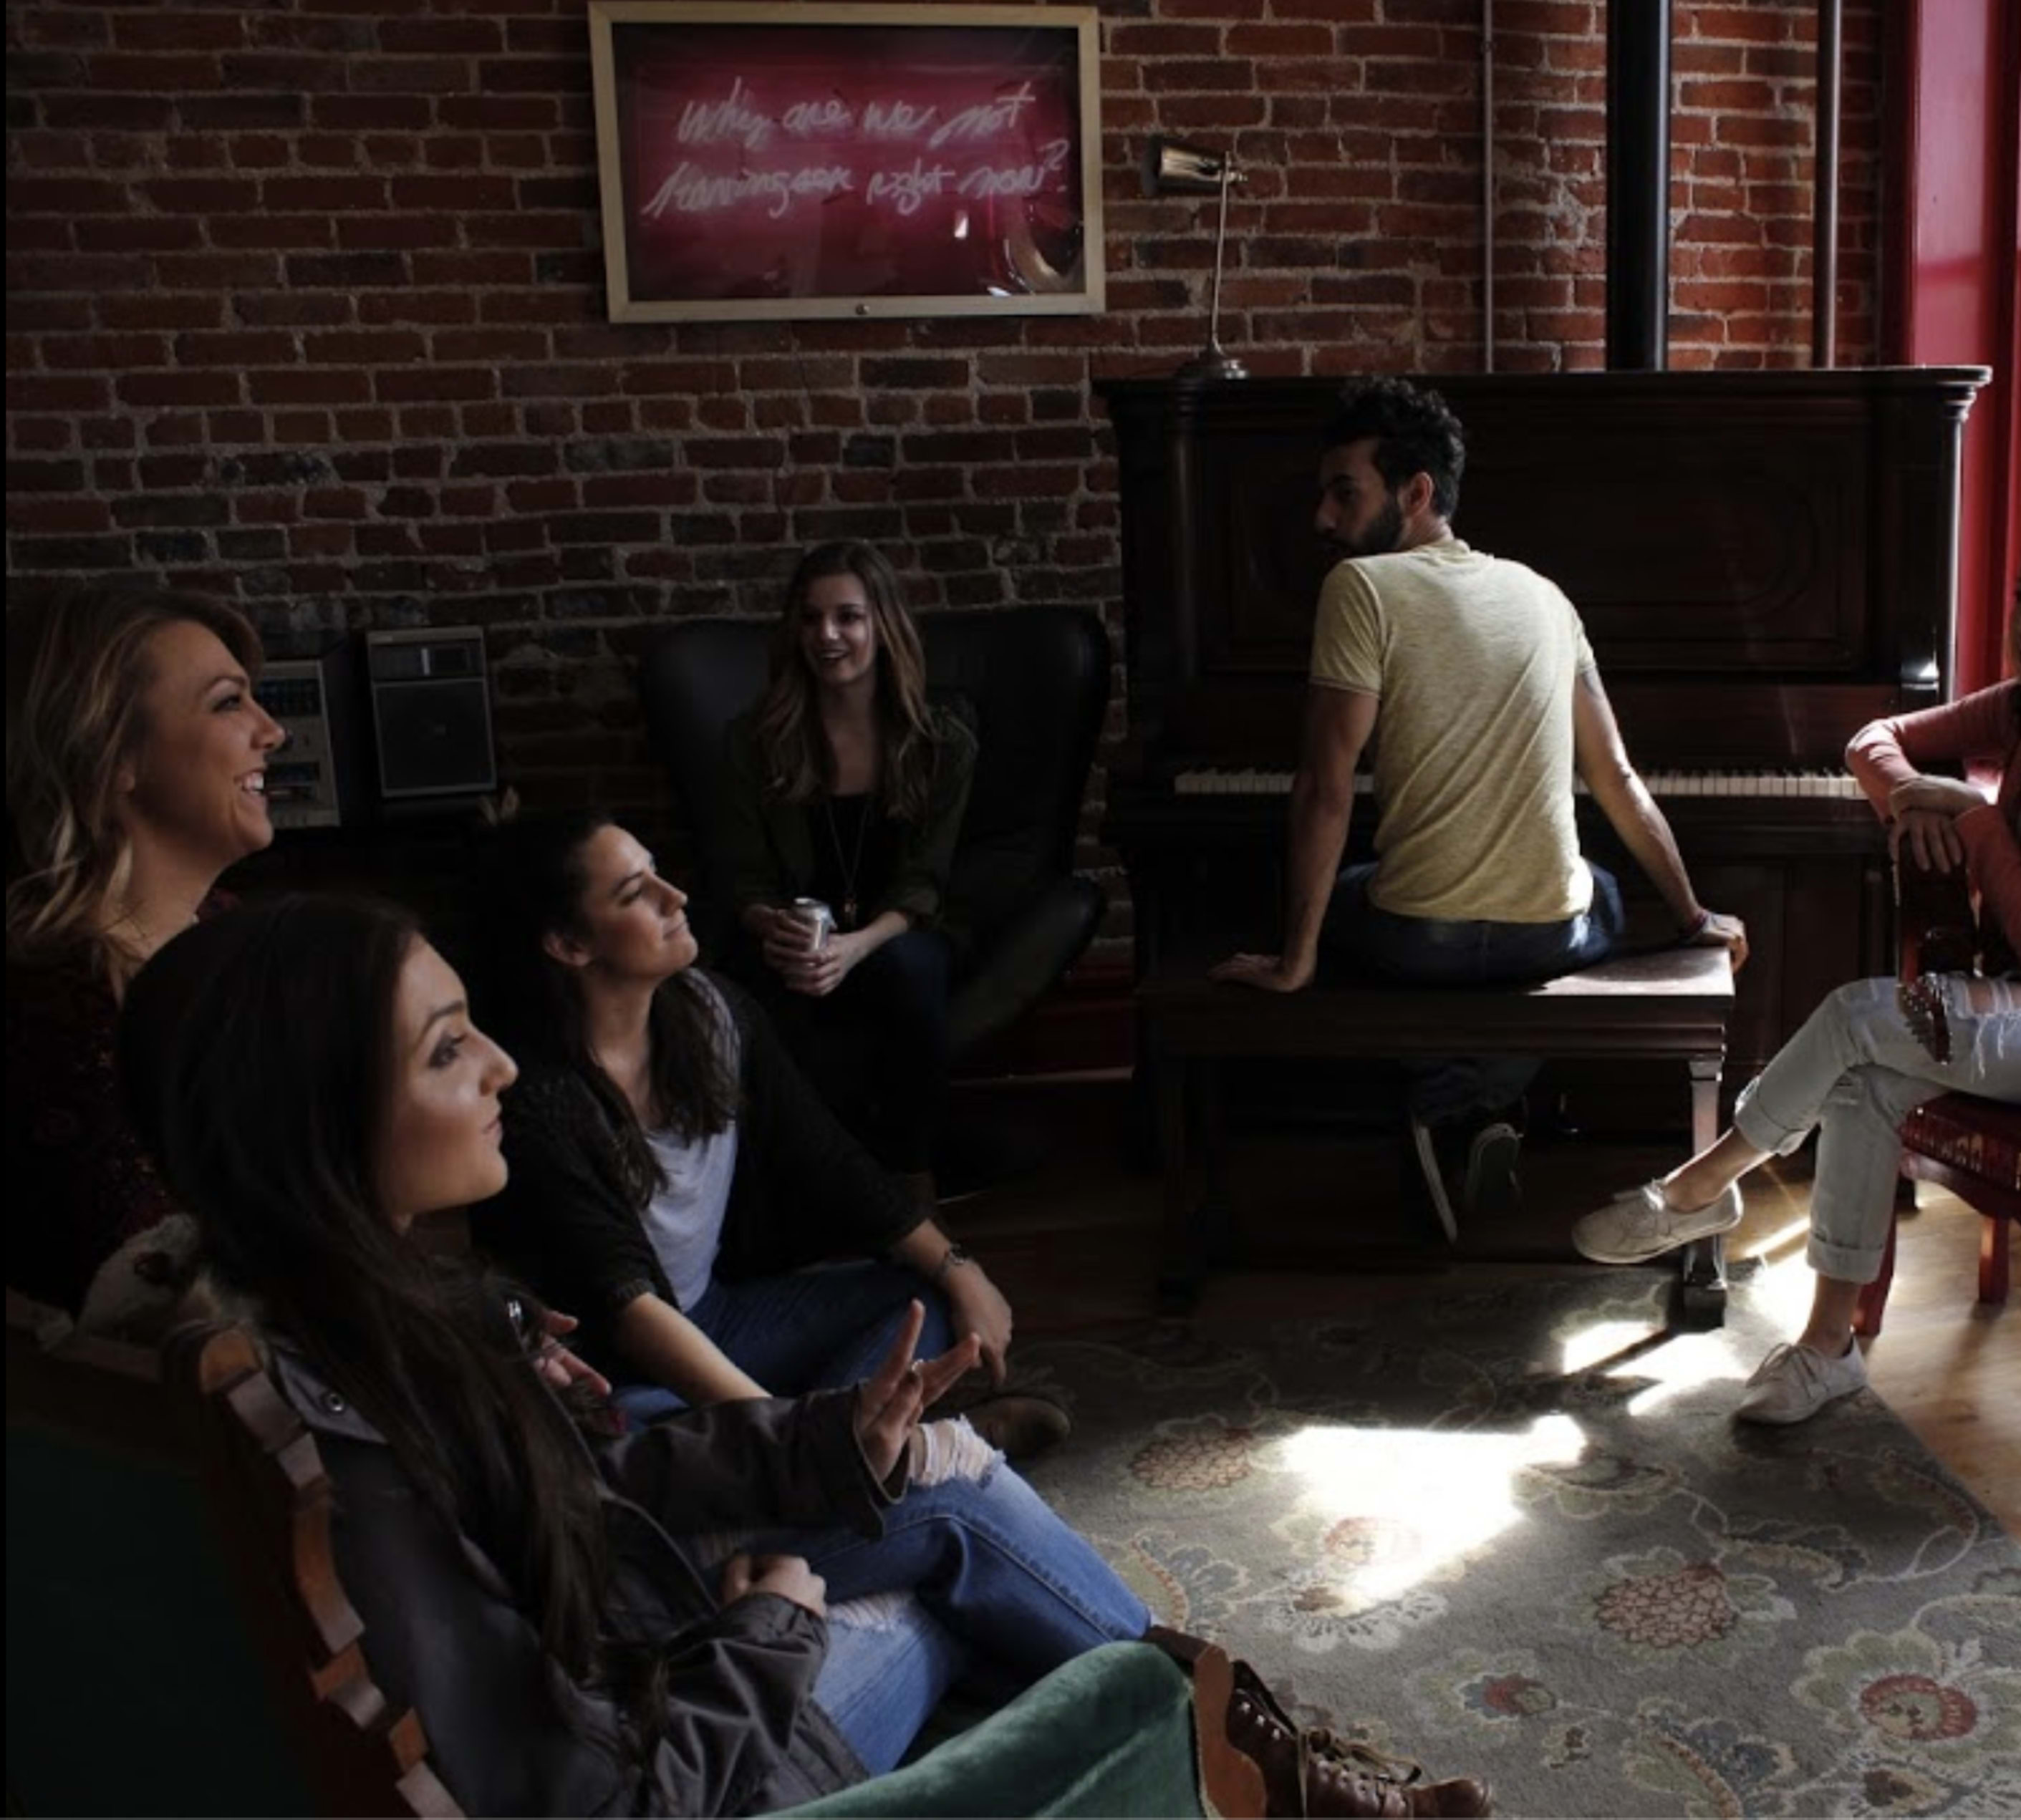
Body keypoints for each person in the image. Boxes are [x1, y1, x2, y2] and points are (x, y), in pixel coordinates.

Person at [121, 894, 1490, 1818]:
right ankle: (1250, 1761)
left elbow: (602, 1484)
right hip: (679, 1747)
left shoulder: (365, 1313)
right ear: (317, 1125)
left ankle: (1278, 1764)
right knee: (983, 1609)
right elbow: (602, 1800)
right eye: (444, 1049)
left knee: (932, 1477)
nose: (498, 1069)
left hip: (636, 1641)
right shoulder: (366, 1443)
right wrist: (776, 1624)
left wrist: (827, 1443)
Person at [1572, 518, 2021, 1425]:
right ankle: (1826, 1349)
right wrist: (1908, 803)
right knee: (1869, 1078)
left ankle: (1698, 1187)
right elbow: (1872, 738)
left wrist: (1971, 815)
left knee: (1855, 1017)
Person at [1215, 377, 1747, 1234]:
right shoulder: (1547, 595)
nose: (1322, 517)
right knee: (1601, 894)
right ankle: (1487, 1098)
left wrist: (1293, 959)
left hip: (1422, 938)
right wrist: (1691, 913)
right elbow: (1615, 775)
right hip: (1550, 928)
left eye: (1344, 491)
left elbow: (1322, 788)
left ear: (1416, 492)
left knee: (1346, 899)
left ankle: (1443, 1097)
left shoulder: (1362, 587)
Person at [465, 808, 1064, 1458]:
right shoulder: (534, 1100)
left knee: (924, 1301)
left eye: (658, 875)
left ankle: (842, 1452)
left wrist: (961, 1269)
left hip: (719, 1319)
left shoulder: (712, 1012)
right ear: (569, 944)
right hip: (614, 1369)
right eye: (637, 893)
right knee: (621, 1454)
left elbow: (829, 1162)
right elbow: (629, 1315)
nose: (677, 898)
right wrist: (785, 1436)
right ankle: (880, 1452)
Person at [4, 579, 286, 1323]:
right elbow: (172, 1318)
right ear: (111, 753)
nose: (273, 731)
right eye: (229, 702)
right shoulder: (61, 1009)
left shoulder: (232, 934)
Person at [717, 541, 978, 1183]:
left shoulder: (940, 743)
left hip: (896, 931)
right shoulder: (755, 743)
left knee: (907, 972)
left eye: (848, 617)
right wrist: (774, 929)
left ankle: (912, 1183)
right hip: (794, 932)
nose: (827, 635)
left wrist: (856, 947)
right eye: (810, 618)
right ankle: (809, 1185)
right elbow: (744, 878)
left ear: (882, 625)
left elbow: (925, 882)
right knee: (764, 992)